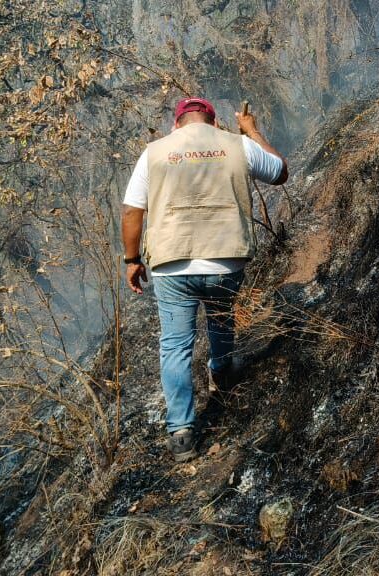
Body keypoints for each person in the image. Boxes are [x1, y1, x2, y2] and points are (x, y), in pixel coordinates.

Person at [121, 97, 288, 461]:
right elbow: (280, 172)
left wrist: (132, 260)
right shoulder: (238, 145)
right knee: (220, 316)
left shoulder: (153, 153)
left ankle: (181, 431)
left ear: (175, 125)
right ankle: (221, 371)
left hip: (172, 264)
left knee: (175, 345)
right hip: (225, 260)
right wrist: (252, 131)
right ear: (214, 123)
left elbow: (133, 210)